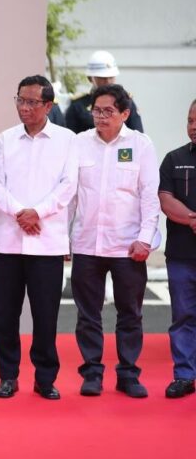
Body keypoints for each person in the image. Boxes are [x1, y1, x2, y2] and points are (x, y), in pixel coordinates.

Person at [0, 76, 78, 400]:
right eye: (20, 100)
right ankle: (7, 376)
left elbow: (68, 186)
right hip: (9, 240)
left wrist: (37, 212)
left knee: (45, 316)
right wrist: (20, 213)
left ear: (48, 105)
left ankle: (45, 378)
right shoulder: (5, 139)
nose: (24, 108)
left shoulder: (67, 140)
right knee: (4, 316)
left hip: (47, 241)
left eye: (32, 102)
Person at [71, 84, 159, 398]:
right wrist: (64, 238)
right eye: (96, 110)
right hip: (87, 243)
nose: (101, 116)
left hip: (128, 246)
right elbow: (70, 195)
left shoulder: (141, 145)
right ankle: (92, 372)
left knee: (130, 313)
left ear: (125, 113)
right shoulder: (79, 143)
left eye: (108, 111)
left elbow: (149, 197)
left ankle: (128, 374)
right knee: (87, 315)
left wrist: (145, 239)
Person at [157, 98, 196, 399]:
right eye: (190, 120)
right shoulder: (174, 158)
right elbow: (165, 199)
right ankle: (184, 375)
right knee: (183, 316)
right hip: (182, 254)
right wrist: (193, 219)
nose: (193, 127)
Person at [65, 50, 143, 134]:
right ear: (90, 78)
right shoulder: (78, 105)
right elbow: (69, 138)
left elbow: (137, 135)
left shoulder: (126, 102)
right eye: (102, 78)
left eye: (111, 77)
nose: (108, 81)